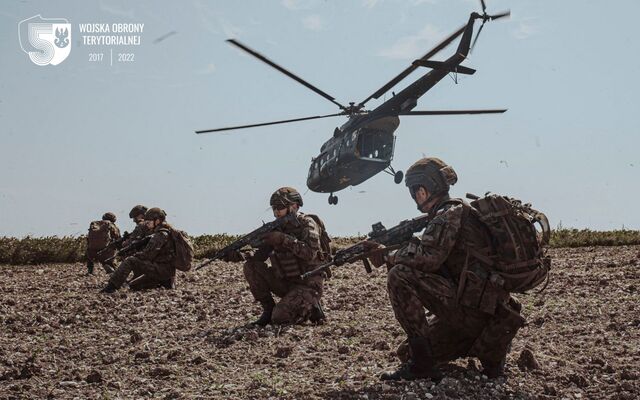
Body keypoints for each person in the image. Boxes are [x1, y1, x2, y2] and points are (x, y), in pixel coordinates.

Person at [373, 157, 525, 381]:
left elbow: (429, 258)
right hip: (485, 311)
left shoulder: (448, 213)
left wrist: (391, 255)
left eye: (415, 191)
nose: (415, 196)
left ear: (423, 189)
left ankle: (422, 367)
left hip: (470, 310)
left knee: (400, 274)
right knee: (406, 353)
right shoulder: (459, 211)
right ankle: (490, 353)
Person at [230, 187, 329, 326]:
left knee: (280, 318)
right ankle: (268, 310)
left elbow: (310, 253)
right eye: (274, 208)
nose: (276, 212)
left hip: (308, 285)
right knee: (251, 267)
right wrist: (239, 255)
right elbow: (259, 257)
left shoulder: (306, 223)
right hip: (286, 282)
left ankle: (311, 307)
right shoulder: (277, 228)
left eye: (280, 207)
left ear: (294, 206)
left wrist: (283, 239)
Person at [101, 207, 178, 292]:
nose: (147, 224)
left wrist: (135, 254)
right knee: (134, 285)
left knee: (130, 261)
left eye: (149, 222)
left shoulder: (161, 235)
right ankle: (163, 283)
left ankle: (111, 287)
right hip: (165, 271)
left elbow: (148, 255)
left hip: (161, 270)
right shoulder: (166, 232)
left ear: (157, 221)